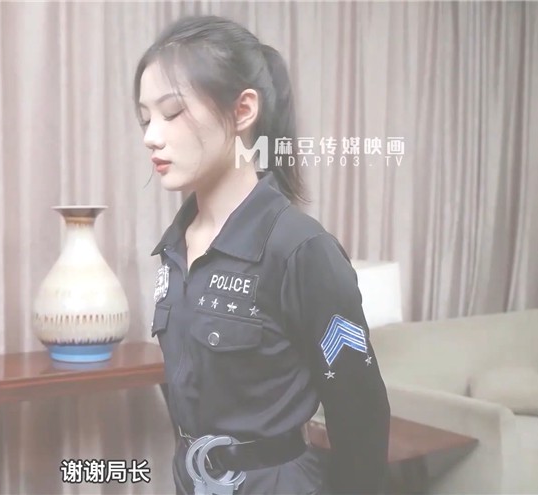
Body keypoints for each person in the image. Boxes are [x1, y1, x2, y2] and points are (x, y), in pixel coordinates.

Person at [134, 15, 391, 495]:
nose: (151, 135)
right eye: (146, 118)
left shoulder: (301, 250)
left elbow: (361, 417)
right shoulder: (174, 249)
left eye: (172, 112)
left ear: (243, 110)